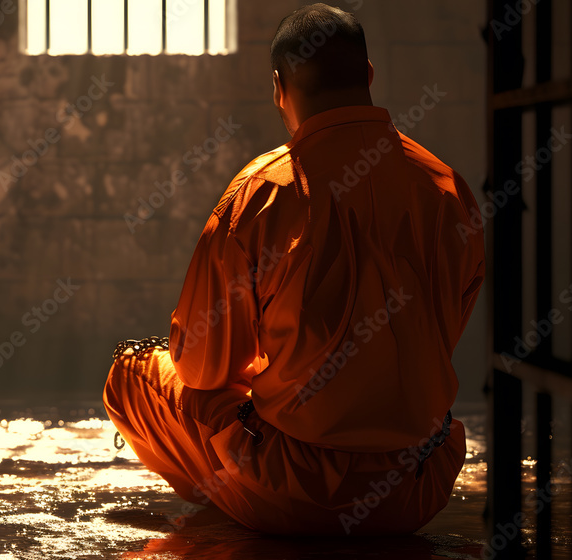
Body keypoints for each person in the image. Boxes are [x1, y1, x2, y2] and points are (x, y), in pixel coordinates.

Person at [103, 3, 484, 535]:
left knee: (134, 372)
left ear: (279, 86)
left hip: (295, 490)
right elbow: (434, 338)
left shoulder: (262, 193)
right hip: (417, 486)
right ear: (368, 76)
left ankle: (230, 493)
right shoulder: (448, 189)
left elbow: (200, 370)